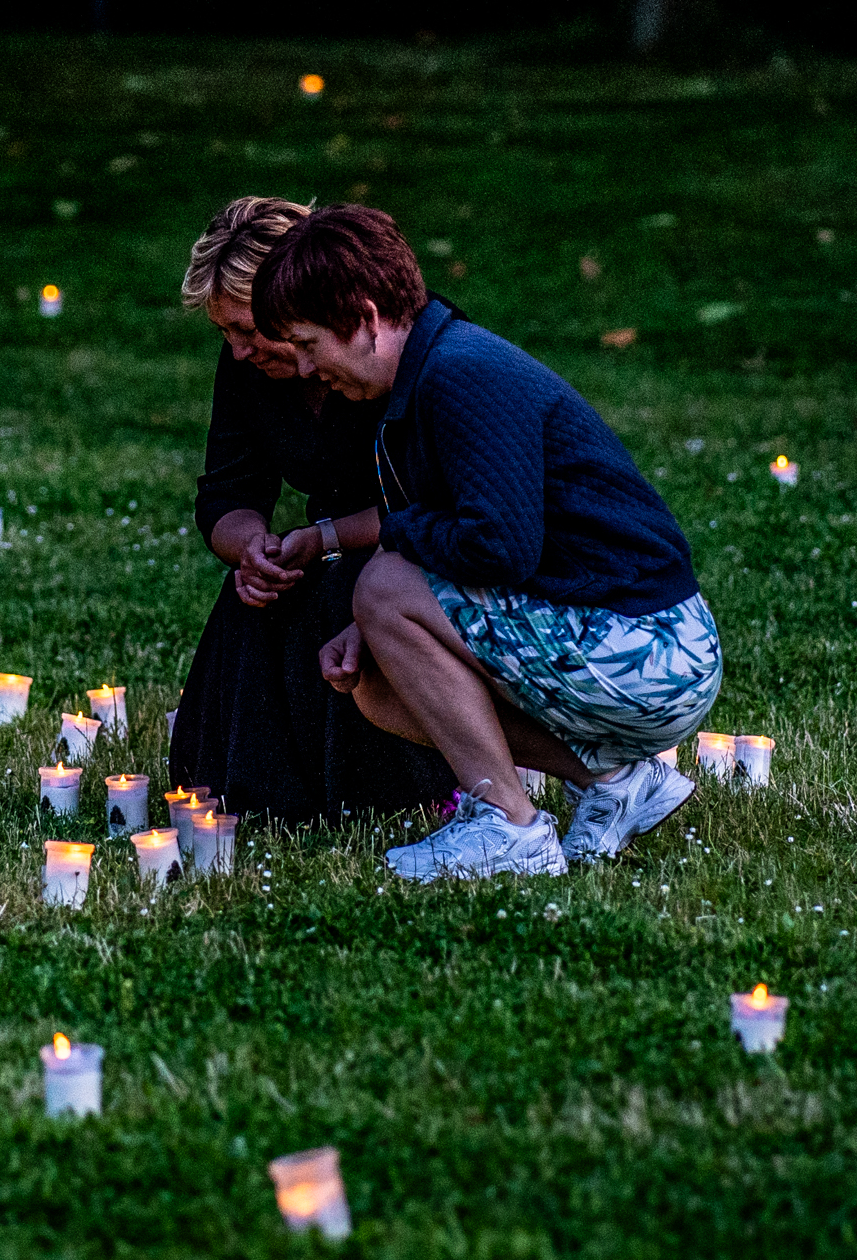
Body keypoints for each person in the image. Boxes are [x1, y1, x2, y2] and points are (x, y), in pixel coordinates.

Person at [250, 204, 721, 881]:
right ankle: (617, 779)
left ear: (363, 316)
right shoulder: (429, 374)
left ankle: (510, 829)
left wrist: (391, 558)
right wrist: (377, 621)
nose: (301, 367)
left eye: (305, 342)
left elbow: (500, 548)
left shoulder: (462, 375)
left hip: (654, 650)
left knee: (382, 588)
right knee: (377, 684)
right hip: (620, 640)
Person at [166, 197, 457, 820]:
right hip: (320, 542)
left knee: (348, 592)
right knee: (259, 596)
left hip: (408, 548)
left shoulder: (392, 352)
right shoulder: (248, 369)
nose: (240, 351)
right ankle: (258, 789)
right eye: (225, 334)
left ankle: (391, 787)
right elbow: (228, 489)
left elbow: (432, 502)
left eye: (249, 330)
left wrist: (324, 537)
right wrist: (252, 547)